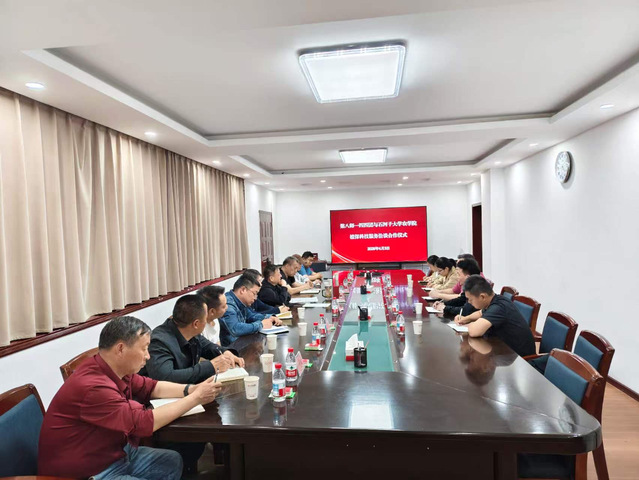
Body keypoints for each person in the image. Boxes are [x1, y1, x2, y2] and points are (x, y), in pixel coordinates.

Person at [38, 316, 222, 480]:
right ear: (121, 349)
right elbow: (142, 422)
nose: (148, 356)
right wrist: (196, 398)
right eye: (144, 349)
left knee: (171, 461)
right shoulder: (93, 387)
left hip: (115, 452)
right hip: (91, 471)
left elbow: (150, 387)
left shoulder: (113, 368)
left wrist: (191, 389)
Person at [141, 294, 243, 384]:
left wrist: (226, 353)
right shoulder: (159, 342)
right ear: (196, 324)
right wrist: (211, 366)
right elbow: (166, 378)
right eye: (205, 318)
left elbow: (208, 347)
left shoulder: (190, 331)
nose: (207, 322)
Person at [455, 275, 535, 357]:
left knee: (482, 356)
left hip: (520, 357)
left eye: (470, 299)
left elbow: (474, 332)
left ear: (482, 297)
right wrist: (466, 319)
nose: (469, 302)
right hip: (506, 350)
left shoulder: (499, 307)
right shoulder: (495, 300)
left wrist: (470, 324)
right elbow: (480, 313)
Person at [219, 275, 282, 346]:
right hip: (231, 349)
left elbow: (251, 316)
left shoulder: (241, 302)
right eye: (254, 293)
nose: (255, 298)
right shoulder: (228, 304)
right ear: (243, 290)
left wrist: (269, 317)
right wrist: (261, 324)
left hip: (242, 344)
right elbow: (235, 328)